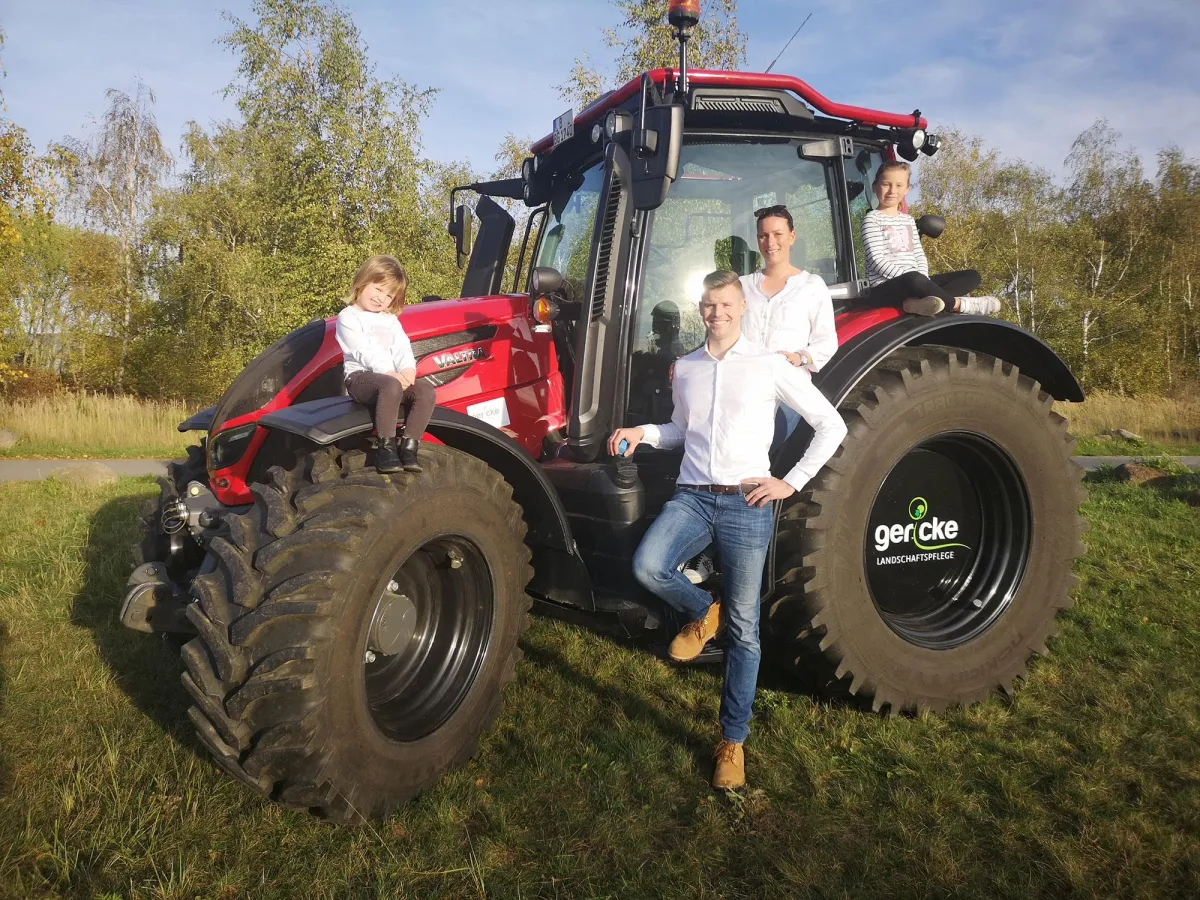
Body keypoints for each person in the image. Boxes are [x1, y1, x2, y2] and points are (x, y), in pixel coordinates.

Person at [608, 270, 847, 791]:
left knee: (744, 629)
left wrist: (791, 482)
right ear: (701, 309)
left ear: (742, 308)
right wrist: (641, 432)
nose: (717, 313)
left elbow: (832, 424)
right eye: (709, 305)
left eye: (726, 304)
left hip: (746, 502)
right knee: (648, 566)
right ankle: (702, 611)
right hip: (693, 497)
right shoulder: (687, 367)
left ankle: (732, 741)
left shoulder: (768, 364)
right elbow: (679, 429)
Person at [739, 204, 838, 446]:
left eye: (777, 234)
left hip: (787, 390)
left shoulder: (811, 285)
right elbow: (722, 331)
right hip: (743, 385)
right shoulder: (742, 285)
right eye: (763, 236)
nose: (770, 242)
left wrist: (801, 357)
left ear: (792, 236)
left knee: (760, 446)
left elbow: (826, 340)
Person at [335, 254, 436, 474]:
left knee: (425, 391)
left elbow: (401, 347)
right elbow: (361, 350)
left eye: (389, 295)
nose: (381, 298)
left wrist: (408, 370)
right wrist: (389, 373)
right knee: (389, 385)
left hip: (391, 378)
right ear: (363, 282)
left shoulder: (389, 320)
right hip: (360, 379)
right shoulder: (348, 317)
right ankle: (386, 449)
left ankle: (409, 448)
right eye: (378, 289)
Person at [862, 160, 1001, 317]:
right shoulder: (872, 219)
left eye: (899, 185)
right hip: (885, 287)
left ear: (907, 189)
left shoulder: (907, 220)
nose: (892, 190)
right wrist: (914, 279)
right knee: (915, 279)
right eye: (886, 184)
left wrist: (924, 278)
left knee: (972, 276)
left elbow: (918, 254)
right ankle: (957, 305)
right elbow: (877, 260)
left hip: (914, 282)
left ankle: (915, 303)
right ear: (875, 187)